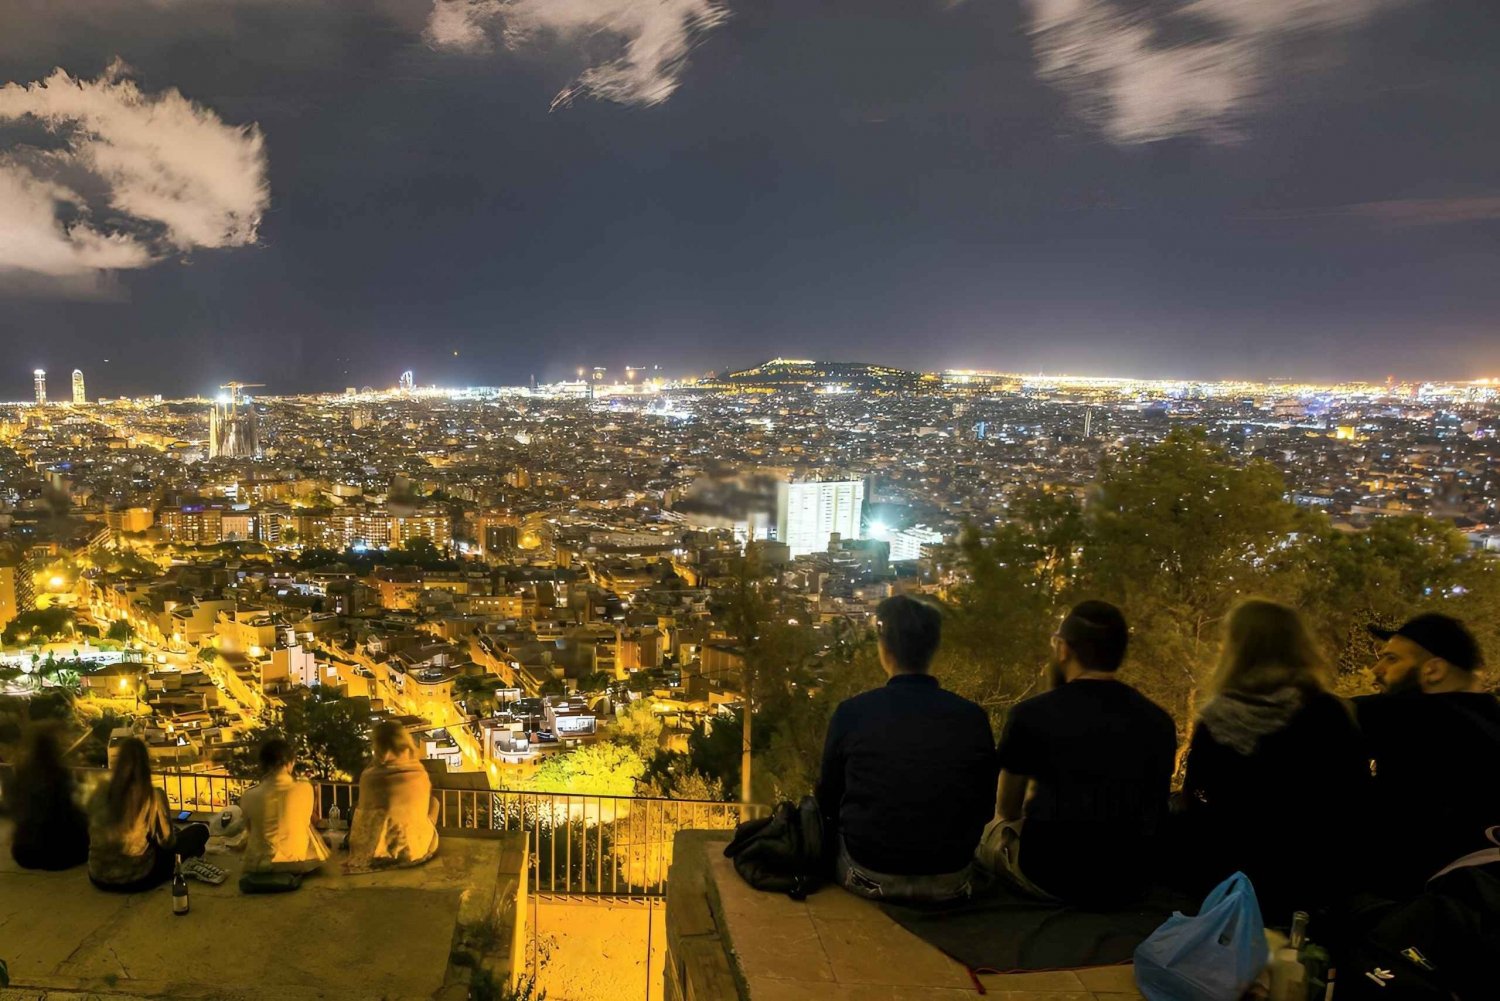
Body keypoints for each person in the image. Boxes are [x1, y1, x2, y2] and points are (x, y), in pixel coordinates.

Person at [1175, 600, 1371, 918]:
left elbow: (1196, 798)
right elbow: (1356, 799)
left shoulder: (1220, 717)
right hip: (1318, 879)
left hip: (1235, 882)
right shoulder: (1330, 713)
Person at [980, 600, 1176, 906]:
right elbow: (1155, 805)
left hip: (1051, 876)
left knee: (991, 827)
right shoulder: (1159, 720)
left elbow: (1007, 809)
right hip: (1130, 878)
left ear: (1063, 650)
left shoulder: (1031, 714)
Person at [815, 594, 996, 904]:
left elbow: (827, 799)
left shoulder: (853, 712)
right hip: (950, 876)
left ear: (884, 649)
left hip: (867, 872)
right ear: (933, 649)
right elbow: (984, 807)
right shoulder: (972, 717)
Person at [1354, 613, 1500, 897]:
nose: (1376, 668)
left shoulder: (1410, 716)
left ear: (1433, 670)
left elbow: (1317, 714)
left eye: (1392, 659)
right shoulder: (1491, 718)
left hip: (1415, 908)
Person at [87, 736, 210, 892]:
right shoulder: (152, 795)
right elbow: (168, 843)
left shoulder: (100, 791)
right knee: (199, 831)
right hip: (137, 878)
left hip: (98, 876)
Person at [346, 722, 440, 871]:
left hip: (368, 851)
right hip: (411, 851)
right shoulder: (418, 772)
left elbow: (363, 812)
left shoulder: (369, 776)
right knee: (434, 803)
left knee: (358, 806)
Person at [239, 738, 331, 875]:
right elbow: (305, 823)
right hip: (297, 862)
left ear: (263, 764)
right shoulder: (305, 788)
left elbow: (250, 830)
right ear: (290, 763)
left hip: (259, 866)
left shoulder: (248, 795)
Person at [4, 722, 89, 870]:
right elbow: (69, 813)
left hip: (24, 853)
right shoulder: (60, 775)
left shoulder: (21, 775)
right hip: (58, 854)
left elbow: (13, 809)